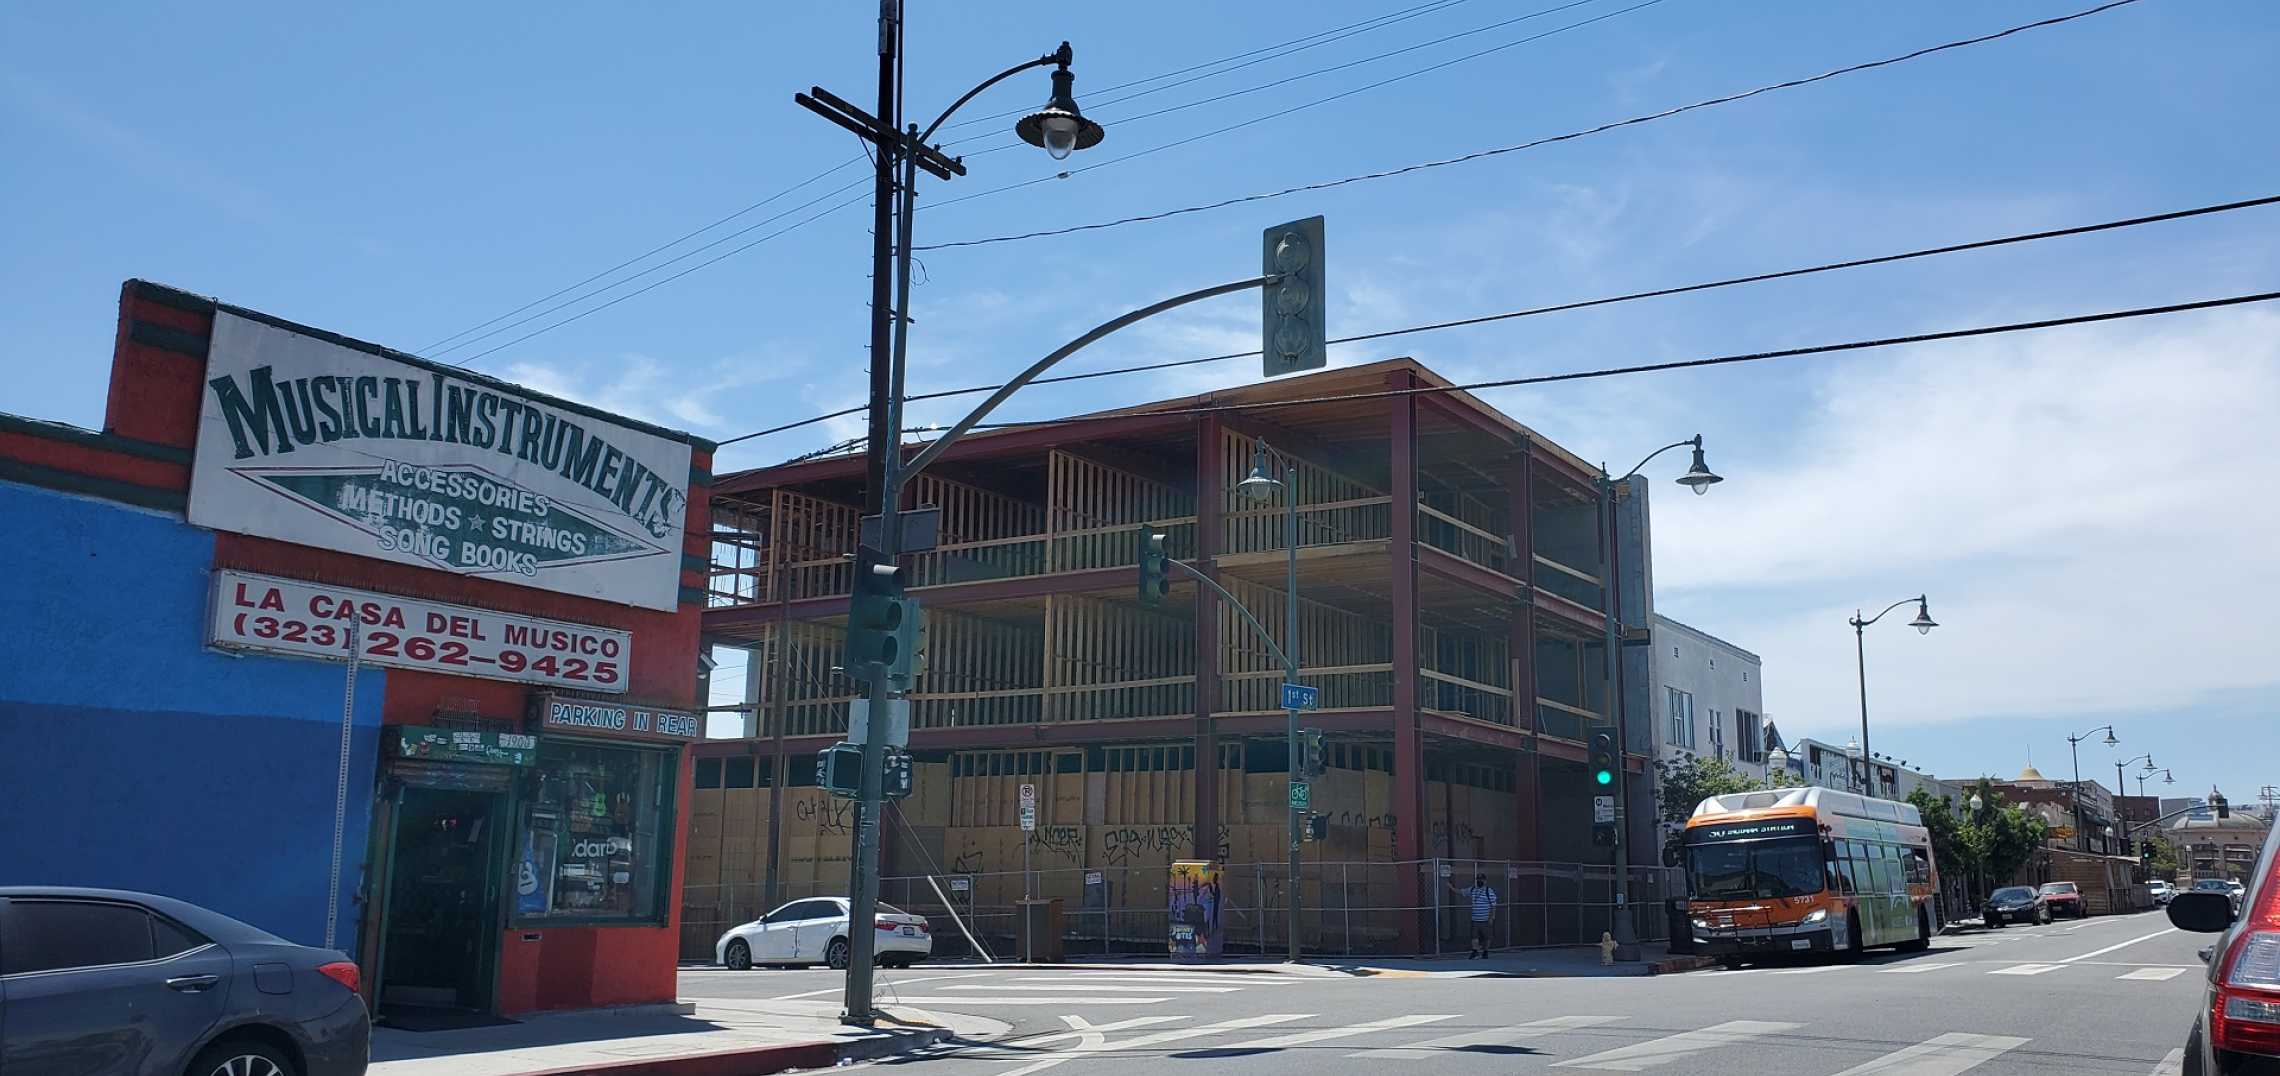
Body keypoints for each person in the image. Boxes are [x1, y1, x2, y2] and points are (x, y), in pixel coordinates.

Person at [1450, 872, 1498, 958]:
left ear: (1485, 881)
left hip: (1485, 919)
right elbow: (1461, 892)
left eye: (1481, 879)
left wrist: (1492, 917)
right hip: (1475, 918)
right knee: (1474, 936)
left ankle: (1485, 951)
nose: (1479, 881)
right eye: (1478, 879)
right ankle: (1475, 951)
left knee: (1487, 937)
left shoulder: (1489, 891)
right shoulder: (1472, 889)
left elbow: (1493, 905)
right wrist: (1451, 887)